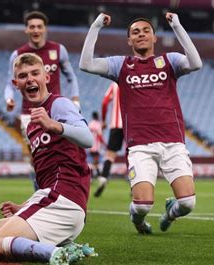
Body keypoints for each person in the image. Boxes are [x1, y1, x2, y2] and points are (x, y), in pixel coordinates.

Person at [0, 53, 97, 264]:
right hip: (49, 197)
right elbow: (47, 177)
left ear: (46, 77)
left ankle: (54, 254)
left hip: (65, 200)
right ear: (16, 83)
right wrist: (25, 206)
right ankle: (64, 246)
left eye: (35, 73)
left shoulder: (59, 104)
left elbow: (88, 139)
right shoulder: (32, 126)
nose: (29, 79)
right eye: (23, 76)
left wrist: (55, 125)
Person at [79, 12, 202, 234]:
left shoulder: (169, 61)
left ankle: (169, 213)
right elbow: (86, 64)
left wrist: (177, 27)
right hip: (140, 146)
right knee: (142, 205)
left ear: (154, 38)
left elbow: (196, 63)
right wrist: (96, 26)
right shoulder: (121, 65)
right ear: (130, 41)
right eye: (136, 32)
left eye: (146, 31)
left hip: (173, 143)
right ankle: (138, 222)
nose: (141, 34)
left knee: (187, 203)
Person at [4, 11, 80, 191]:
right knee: (37, 157)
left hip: (56, 111)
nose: (36, 29)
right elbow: (9, 83)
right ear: (26, 30)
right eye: (32, 26)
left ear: (45, 28)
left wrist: (75, 99)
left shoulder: (58, 50)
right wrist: (9, 98)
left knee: (61, 152)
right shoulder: (17, 55)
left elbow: (71, 77)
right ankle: (39, 193)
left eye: (39, 26)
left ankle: (63, 191)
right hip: (29, 114)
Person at [94, 82, 124, 197]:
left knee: (110, 154)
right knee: (133, 152)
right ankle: (135, 184)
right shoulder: (135, 79)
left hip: (115, 125)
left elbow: (105, 102)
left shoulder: (115, 84)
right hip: (131, 123)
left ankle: (103, 178)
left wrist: (104, 120)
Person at [88, 111, 105, 179]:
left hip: (90, 144)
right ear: (97, 116)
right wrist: (105, 144)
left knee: (95, 161)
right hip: (96, 146)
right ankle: (94, 176)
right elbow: (100, 136)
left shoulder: (90, 123)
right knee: (96, 161)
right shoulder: (98, 124)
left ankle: (96, 176)